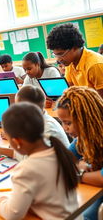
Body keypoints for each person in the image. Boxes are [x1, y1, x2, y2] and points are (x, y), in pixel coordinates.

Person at [0, 102, 79, 220]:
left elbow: (12, 214)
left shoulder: (27, 169)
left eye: (8, 139)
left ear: (17, 142)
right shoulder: (59, 152)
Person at [0, 85, 70, 161]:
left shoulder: (48, 127)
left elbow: (34, 159)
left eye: (19, 107)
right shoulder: (33, 121)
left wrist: (2, 150)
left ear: (30, 108)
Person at [56, 86, 103, 219]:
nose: (65, 128)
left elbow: (101, 178)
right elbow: (61, 160)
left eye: (68, 123)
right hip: (95, 190)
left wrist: (78, 174)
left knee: (86, 216)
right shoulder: (82, 140)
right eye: (62, 123)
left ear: (86, 118)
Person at [47, 23, 103, 98]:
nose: (58, 59)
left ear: (75, 47)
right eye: (55, 54)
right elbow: (69, 90)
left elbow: (100, 103)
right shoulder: (70, 62)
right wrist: (52, 99)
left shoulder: (95, 65)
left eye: (61, 54)